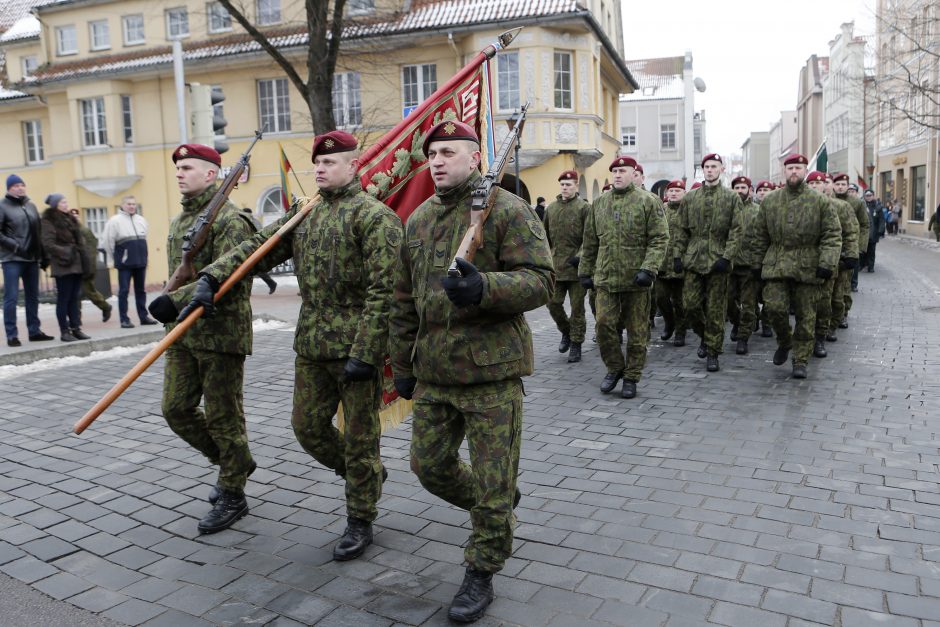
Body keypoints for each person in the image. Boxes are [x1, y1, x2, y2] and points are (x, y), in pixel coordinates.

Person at [174, 133, 402, 552]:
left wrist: (368, 351)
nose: (320, 169)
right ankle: (363, 475)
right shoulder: (306, 212)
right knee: (308, 429)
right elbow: (257, 248)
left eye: (330, 162)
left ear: (353, 167)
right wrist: (212, 277)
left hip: (355, 349)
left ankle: (360, 517)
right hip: (312, 345)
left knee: (360, 437)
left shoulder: (374, 217)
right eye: (317, 162)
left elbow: (384, 292)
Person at [389, 121, 552, 623]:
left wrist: (486, 288)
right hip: (434, 372)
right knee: (428, 466)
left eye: (449, 152)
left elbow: (541, 281)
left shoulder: (506, 208)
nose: (437, 161)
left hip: (491, 374)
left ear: (475, 156)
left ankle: (481, 567)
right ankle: (495, 504)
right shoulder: (417, 220)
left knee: (492, 481)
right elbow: (402, 299)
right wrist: (401, 367)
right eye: (432, 154)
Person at [146, 144, 258, 534]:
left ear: (212, 174)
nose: (179, 172)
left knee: (224, 416)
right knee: (175, 408)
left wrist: (170, 299)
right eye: (177, 167)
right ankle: (235, 461)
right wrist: (171, 298)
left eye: (188, 167)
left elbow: (231, 277)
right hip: (182, 332)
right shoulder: (182, 219)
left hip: (220, 334)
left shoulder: (231, 220)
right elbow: (182, 271)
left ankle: (233, 491)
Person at [579, 156, 668, 399]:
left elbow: (659, 239)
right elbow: (590, 242)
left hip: (636, 280)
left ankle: (631, 376)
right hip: (606, 278)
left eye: (623, 170)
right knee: (604, 324)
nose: (618, 175)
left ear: (633, 173)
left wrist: (649, 269)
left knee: (637, 332)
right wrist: (585, 271)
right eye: (615, 171)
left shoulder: (648, 201)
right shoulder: (600, 203)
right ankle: (615, 367)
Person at [749, 154, 841, 379]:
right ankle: (784, 341)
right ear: (784, 171)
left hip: (808, 266)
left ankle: (800, 359)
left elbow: (832, 234)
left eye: (798, 168)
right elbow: (759, 234)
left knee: (806, 315)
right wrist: (756, 264)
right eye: (790, 168)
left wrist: (826, 263)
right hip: (777, 263)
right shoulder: (770, 201)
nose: (794, 172)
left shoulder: (820, 202)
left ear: (805, 171)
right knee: (774, 308)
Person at [673, 153, 745, 373]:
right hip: (694, 259)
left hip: (718, 260)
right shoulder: (690, 198)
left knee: (715, 309)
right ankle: (705, 336)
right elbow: (681, 230)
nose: (710, 170)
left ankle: (713, 351)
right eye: (706, 167)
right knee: (690, 305)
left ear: (721, 170)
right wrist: (677, 256)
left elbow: (737, 230)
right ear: (702, 170)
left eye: (714, 166)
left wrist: (727, 257)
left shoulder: (731, 198)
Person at [804, 172, 857, 356]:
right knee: (806, 305)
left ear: (827, 186)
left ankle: (822, 336)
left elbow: (851, 232)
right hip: (803, 264)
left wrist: (850, 255)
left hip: (830, 262)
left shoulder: (840, 207)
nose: (814, 187)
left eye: (818, 184)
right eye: (810, 183)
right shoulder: (800, 206)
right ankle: (806, 337)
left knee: (827, 302)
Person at [0, 174, 54, 347]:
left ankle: (34, 331)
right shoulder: (2, 206)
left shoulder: (30, 206)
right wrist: (15, 247)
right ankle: (12, 335)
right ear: (9, 188)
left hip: (31, 259)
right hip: (12, 259)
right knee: (12, 297)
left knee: (33, 297)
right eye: (16, 186)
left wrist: (44, 256)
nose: (20, 188)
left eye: (22, 185)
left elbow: (38, 233)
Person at [544, 170, 590, 363]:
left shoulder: (584, 208)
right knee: (552, 303)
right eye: (562, 184)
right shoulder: (551, 208)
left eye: (569, 184)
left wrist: (579, 256)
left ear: (576, 186)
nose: (565, 187)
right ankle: (567, 331)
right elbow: (544, 236)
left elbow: (590, 236)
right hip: (556, 267)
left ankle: (576, 344)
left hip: (577, 268)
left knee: (577, 308)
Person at [40, 195, 90, 342]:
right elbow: (48, 244)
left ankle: (76, 328)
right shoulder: (48, 220)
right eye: (62, 202)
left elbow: (78, 240)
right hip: (63, 264)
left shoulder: (69, 219)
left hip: (76, 263)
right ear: (55, 205)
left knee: (74, 298)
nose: (65, 204)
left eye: (66, 201)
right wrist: (66, 252)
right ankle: (64, 331)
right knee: (64, 299)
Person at [103, 195, 157, 328]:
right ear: (122, 205)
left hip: (140, 262)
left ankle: (143, 317)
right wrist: (116, 258)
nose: (132, 206)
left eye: (134, 204)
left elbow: (144, 240)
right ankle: (124, 319)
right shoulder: (114, 221)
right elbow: (108, 242)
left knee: (141, 290)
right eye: (129, 204)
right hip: (125, 264)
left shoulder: (141, 220)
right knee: (124, 291)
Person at [727, 176, 761, 355]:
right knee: (727, 301)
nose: (740, 190)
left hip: (749, 265)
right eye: (736, 187)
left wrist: (759, 261)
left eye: (743, 187)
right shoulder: (726, 210)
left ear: (750, 189)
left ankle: (743, 337)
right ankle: (737, 323)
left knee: (748, 304)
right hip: (729, 264)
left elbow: (763, 237)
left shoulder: (758, 211)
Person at [655, 180, 687, 346]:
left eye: (677, 191)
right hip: (662, 263)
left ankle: (680, 331)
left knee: (680, 301)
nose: (674, 193)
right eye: (671, 191)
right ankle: (669, 322)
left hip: (681, 262)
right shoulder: (661, 211)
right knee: (660, 297)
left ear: (684, 193)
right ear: (666, 194)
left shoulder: (688, 211)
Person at [70, 208, 113, 323]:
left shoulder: (84, 230)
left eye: (76, 215)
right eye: (71, 215)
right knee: (76, 293)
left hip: (85, 266)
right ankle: (76, 319)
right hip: (74, 267)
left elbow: (92, 249)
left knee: (89, 291)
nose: (74, 217)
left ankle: (105, 306)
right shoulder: (69, 231)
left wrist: (89, 267)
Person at [833, 175, 869, 303]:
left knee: (845, 283)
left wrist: (860, 247)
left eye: (843, 184)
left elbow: (864, 224)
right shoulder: (827, 200)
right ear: (833, 186)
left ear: (848, 186)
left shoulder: (856, 203)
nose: (840, 187)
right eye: (837, 184)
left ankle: (843, 312)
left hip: (849, 246)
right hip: (832, 246)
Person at [239, 208, 278, 294]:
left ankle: (271, 283)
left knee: (253, 269)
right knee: (250, 269)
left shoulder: (253, 221)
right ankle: (271, 283)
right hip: (247, 247)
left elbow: (260, 233)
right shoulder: (248, 221)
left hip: (254, 247)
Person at [862, 190, 885, 272]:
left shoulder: (877, 206)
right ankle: (863, 264)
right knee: (863, 250)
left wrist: (880, 230)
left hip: (874, 232)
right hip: (864, 232)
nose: (868, 197)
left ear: (873, 196)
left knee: (871, 250)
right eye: (867, 195)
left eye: (870, 195)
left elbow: (882, 220)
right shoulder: (862, 205)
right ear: (864, 196)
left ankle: (871, 266)